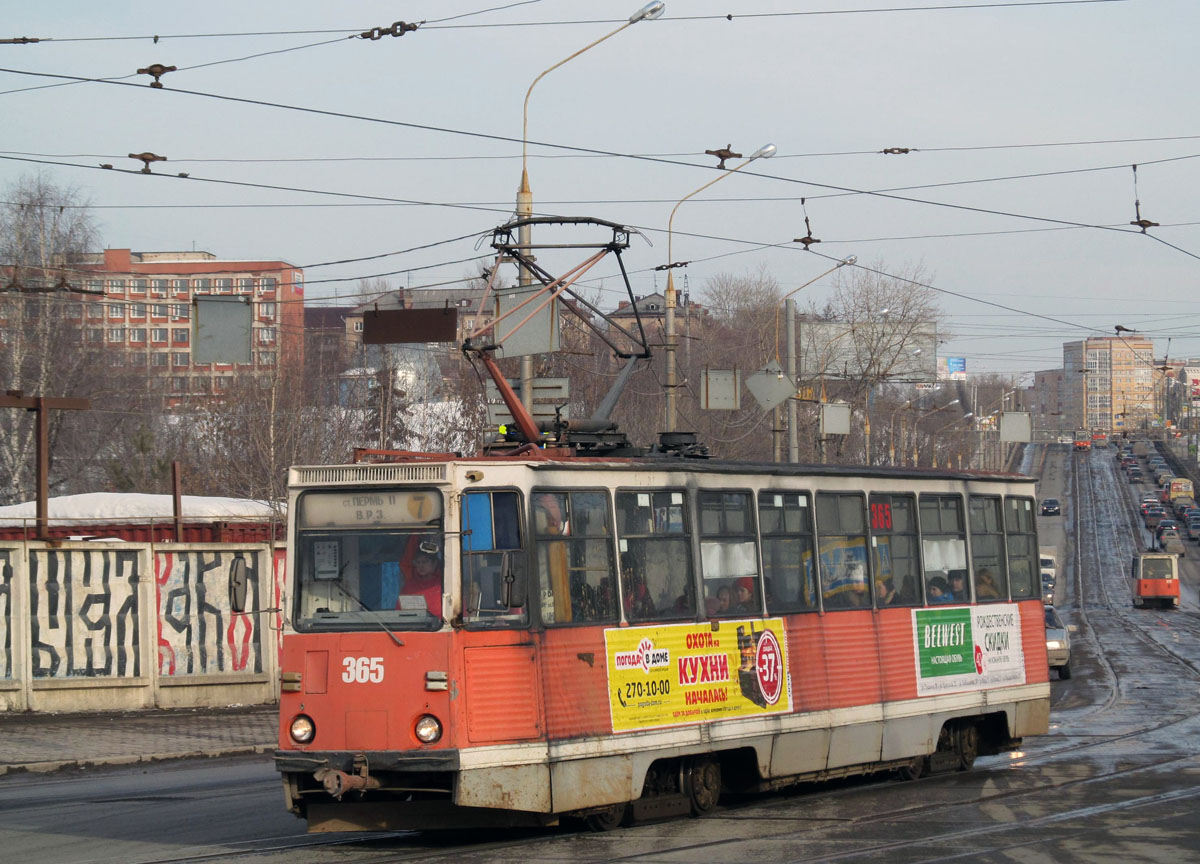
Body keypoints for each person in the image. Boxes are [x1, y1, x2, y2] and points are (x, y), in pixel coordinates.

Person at [401, 549, 442, 615]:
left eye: (425, 562)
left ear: (434, 563)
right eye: (418, 562)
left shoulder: (444, 585)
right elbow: (400, 613)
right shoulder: (409, 586)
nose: (421, 566)